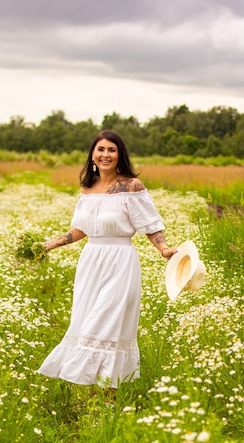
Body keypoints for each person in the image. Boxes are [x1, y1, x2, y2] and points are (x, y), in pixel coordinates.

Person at [38, 130, 177, 399]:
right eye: (100, 149)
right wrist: (47, 245)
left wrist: (163, 248)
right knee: (86, 321)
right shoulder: (87, 189)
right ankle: (94, 396)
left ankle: (108, 398)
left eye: (112, 150)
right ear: (93, 154)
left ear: (119, 155)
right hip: (91, 262)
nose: (105, 154)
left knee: (107, 323)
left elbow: (150, 225)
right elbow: (79, 229)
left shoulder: (131, 187)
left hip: (120, 261)